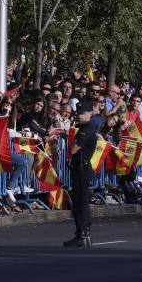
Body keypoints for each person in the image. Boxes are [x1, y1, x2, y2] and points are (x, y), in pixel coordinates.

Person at [63, 100, 96, 248]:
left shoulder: (87, 128)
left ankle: (82, 233)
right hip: (81, 167)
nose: (80, 115)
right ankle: (83, 232)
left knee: (80, 202)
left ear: (90, 113)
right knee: (80, 200)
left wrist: (71, 142)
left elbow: (73, 149)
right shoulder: (84, 127)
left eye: (83, 113)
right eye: (79, 112)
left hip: (82, 167)